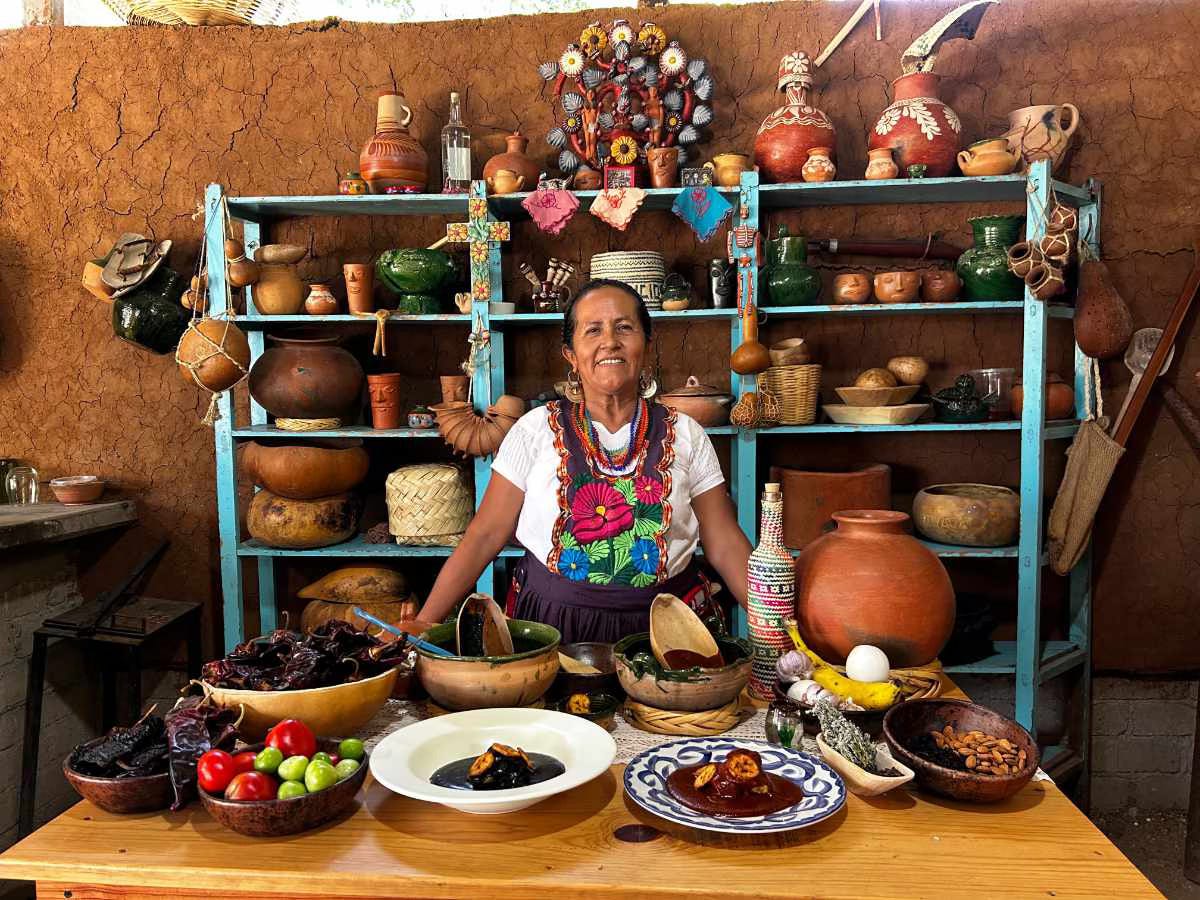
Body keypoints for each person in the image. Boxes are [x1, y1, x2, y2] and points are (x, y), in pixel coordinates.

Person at [406, 278, 752, 644]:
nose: (610, 342)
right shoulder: (535, 429)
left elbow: (724, 543)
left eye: (624, 327)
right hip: (553, 629)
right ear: (571, 354)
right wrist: (427, 620)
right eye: (592, 331)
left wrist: (781, 632)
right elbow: (485, 535)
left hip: (669, 632)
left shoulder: (685, 433)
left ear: (646, 345)